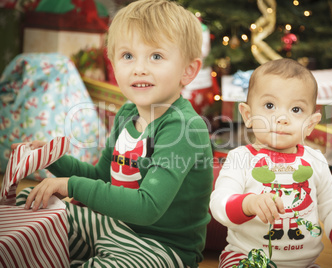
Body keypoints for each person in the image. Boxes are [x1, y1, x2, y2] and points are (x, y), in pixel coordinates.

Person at [15, 0, 214, 267]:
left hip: (162, 249)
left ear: (188, 71)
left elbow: (147, 207)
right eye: (128, 56)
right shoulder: (126, 114)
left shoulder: (183, 126)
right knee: (28, 204)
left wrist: (69, 185)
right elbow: (102, 177)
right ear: (113, 64)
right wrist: (53, 160)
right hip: (112, 228)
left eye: (156, 56)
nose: (139, 68)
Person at [210, 58, 332, 268]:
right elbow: (219, 203)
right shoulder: (240, 158)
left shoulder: (315, 160)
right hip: (247, 256)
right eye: (270, 105)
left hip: (303, 263)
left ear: (310, 124)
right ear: (248, 115)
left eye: (296, 109)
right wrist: (248, 203)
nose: (282, 118)